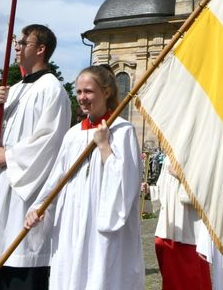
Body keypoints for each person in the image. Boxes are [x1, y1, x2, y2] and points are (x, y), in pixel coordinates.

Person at [0, 25, 71, 290]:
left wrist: (9, 155)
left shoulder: (53, 90)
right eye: (16, 42)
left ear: (40, 49)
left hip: (21, 190)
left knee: (14, 258)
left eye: (23, 42)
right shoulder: (12, 89)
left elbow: (50, 142)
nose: (16, 47)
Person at [25, 64, 144, 289]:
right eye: (79, 92)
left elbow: (125, 185)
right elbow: (57, 180)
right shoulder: (72, 135)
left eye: (88, 91)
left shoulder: (122, 131)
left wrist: (103, 145)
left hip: (103, 228)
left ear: (106, 92)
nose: (82, 97)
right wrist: (39, 208)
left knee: (101, 276)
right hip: (71, 222)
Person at [154, 163, 210, 289]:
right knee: (171, 277)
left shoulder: (196, 156)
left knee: (190, 279)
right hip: (167, 228)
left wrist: (182, 177)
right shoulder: (168, 158)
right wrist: (148, 190)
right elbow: (162, 190)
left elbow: (203, 194)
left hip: (188, 229)